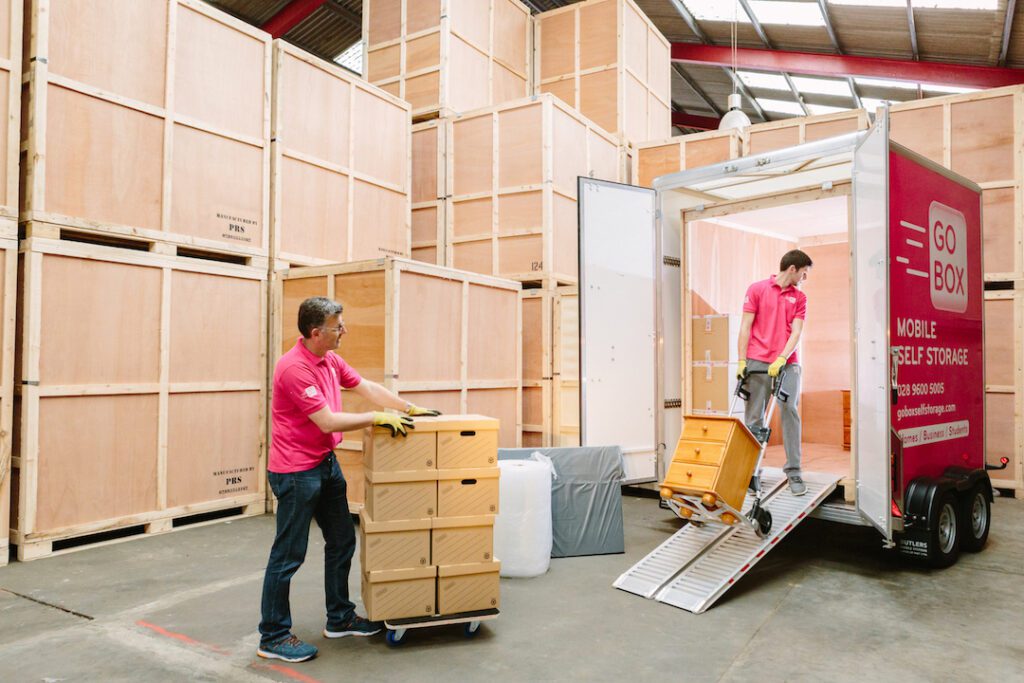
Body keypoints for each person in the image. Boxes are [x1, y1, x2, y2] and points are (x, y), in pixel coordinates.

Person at [258, 296, 440, 663]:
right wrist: (375, 419)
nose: (344, 331)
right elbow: (326, 420)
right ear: (315, 332)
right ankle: (273, 635)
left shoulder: (329, 360)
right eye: (338, 326)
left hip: (324, 463)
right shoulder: (294, 368)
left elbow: (365, 386)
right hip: (296, 472)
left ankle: (339, 618)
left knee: (341, 540)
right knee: (288, 555)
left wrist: (406, 408)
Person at [736, 249, 812, 496]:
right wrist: (740, 361)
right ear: (793, 269)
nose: (804, 277)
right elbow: (745, 326)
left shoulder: (800, 298)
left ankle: (794, 472)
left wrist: (782, 357)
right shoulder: (757, 289)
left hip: (787, 363)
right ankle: (751, 471)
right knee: (754, 418)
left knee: (789, 410)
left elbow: (796, 332)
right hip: (757, 361)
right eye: (804, 272)